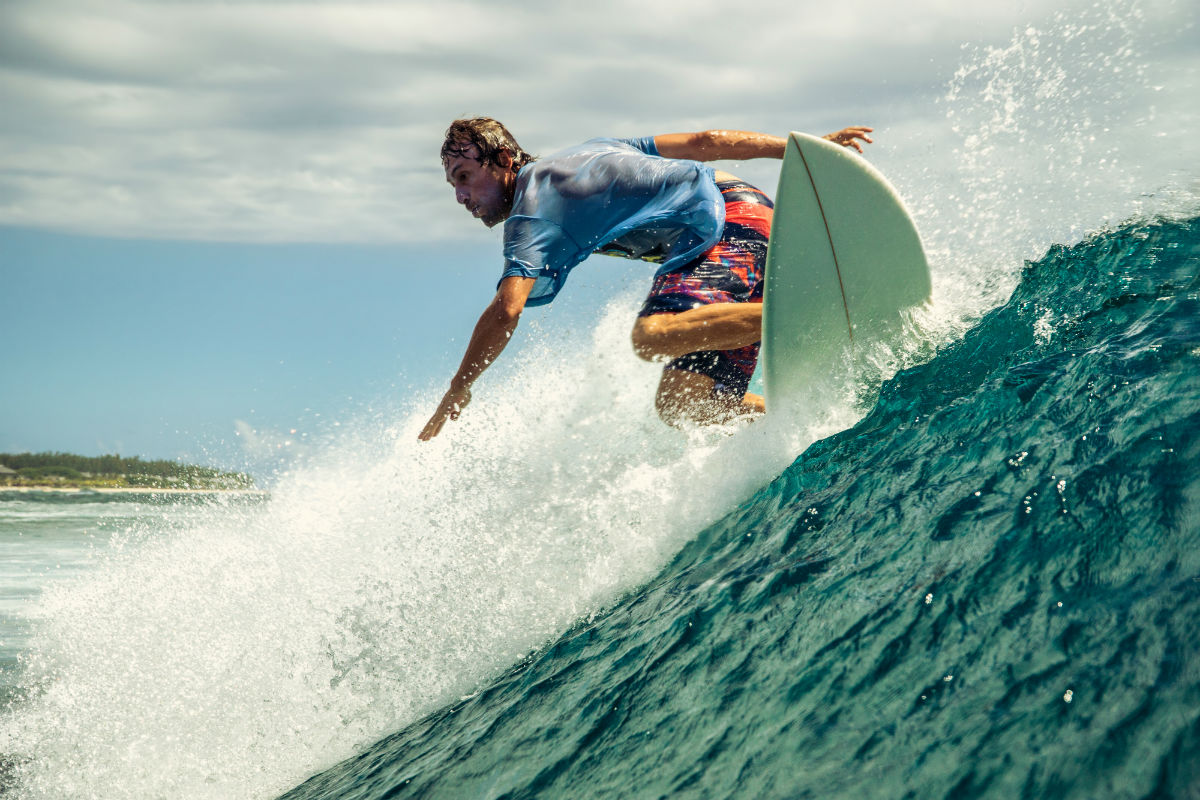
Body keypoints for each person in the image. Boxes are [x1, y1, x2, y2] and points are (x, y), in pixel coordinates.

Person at [418, 118, 873, 441]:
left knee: (651, 336)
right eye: (452, 186)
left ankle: (819, 309)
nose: (460, 196)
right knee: (683, 406)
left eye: (465, 177)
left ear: (502, 160)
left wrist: (461, 384)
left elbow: (507, 310)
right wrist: (798, 146)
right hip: (747, 209)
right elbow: (704, 140)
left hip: (722, 223)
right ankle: (823, 422)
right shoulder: (593, 150)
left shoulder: (531, 207)